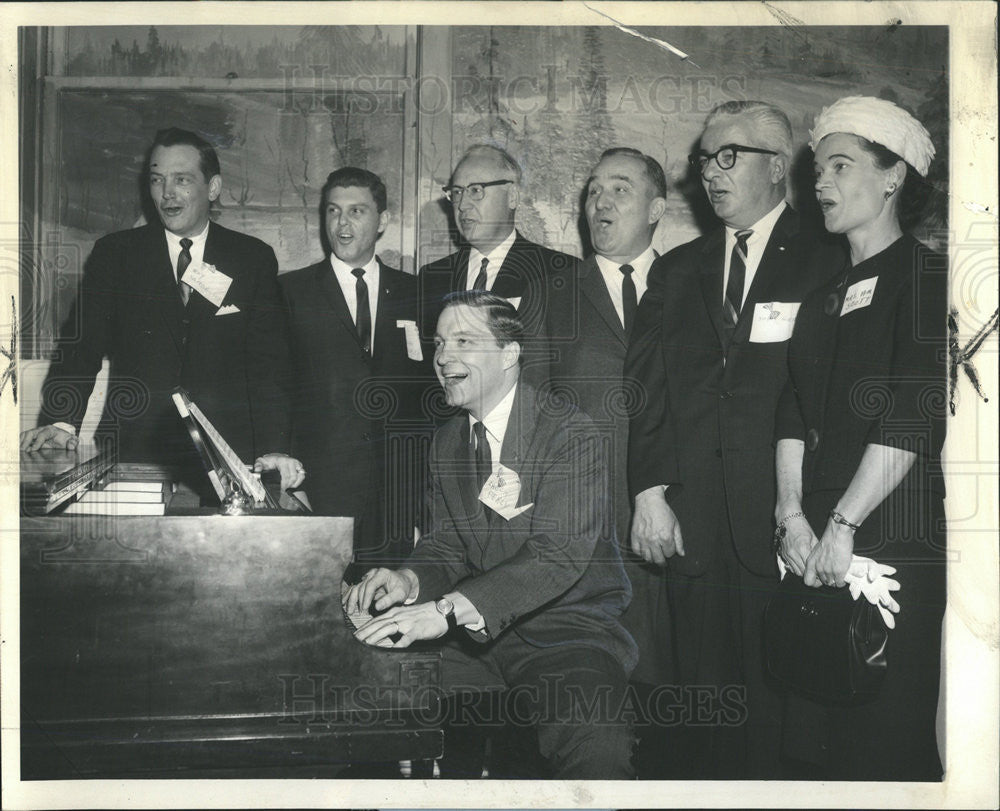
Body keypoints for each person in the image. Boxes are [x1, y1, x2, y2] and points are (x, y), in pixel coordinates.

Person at [625, 101, 839, 778]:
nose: (710, 174)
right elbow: (647, 389)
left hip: (783, 523)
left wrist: (807, 511)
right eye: (703, 160)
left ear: (777, 167)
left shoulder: (827, 254)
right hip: (695, 525)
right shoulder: (677, 269)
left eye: (729, 157)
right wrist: (650, 489)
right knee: (703, 710)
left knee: (783, 714)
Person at [343, 291, 638, 779]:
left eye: (463, 340)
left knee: (597, 747)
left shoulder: (571, 432)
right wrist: (407, 581)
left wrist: (442, 611)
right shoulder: (448, 440)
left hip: (563, 634)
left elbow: (557, 555)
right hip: (472, 641)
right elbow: (447, 545)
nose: (443, 357)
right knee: (362, 692)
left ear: (509, 354)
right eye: (439, 343)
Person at [774, 96, 946, 781]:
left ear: (893, 175)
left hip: (885, 536)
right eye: (818, 168)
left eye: (841, 166)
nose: (821, 183)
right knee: (813, 749)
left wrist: (844, 524)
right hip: (809, 540)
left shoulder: (925, 279)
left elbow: (911, 410)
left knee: (881, 742)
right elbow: (790, 407)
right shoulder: (823, 292)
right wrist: (791, 516)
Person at [21, 127, 301, 493]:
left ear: (212, 188)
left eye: (182, 180)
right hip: (134, 452)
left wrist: (275, 446)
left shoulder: (251, 258)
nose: (167, 193)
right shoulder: (116, 254)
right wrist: (61, 423)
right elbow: (82, 346)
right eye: (157, 180)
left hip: (229, 456)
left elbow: (270, 365)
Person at [547, 147, 672, 776]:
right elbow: (524, 422)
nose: (601, 202)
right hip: (585, 538)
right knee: (598, 704)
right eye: (594, 190)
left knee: (678, 697)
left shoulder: (693, 284)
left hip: (679, 529)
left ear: (657, 208)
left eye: (620, 190)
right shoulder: (551, 295)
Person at [279, 167, 427, 568]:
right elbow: (277, 391)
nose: (342, 224)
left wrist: (422, 501)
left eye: (357, 211)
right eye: (333, 211)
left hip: (397, 497)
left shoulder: (417, 294)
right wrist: (294, 485)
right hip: (318, 490)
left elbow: (427, 401)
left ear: (383, 220)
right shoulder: (291, 292)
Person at [418, 144, 575, 386]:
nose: (462, 205)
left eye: (476, 190)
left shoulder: (560, 272)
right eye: (457, 192)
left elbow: (565, 375)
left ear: (512, 196)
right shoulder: (431, 277)